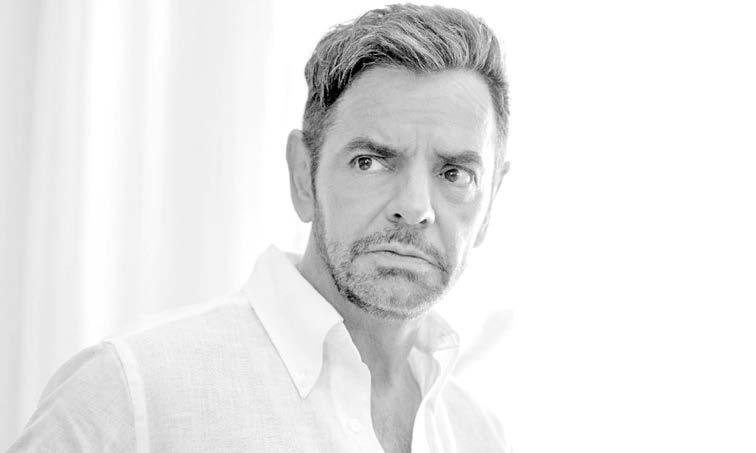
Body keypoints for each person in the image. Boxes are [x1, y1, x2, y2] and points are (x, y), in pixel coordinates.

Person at [9, 4, 511, 452]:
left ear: (490, 203)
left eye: (455, 174)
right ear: (303, 176)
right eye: (371, 162)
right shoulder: (130, 393)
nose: (415, 207)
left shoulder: (479, 434)